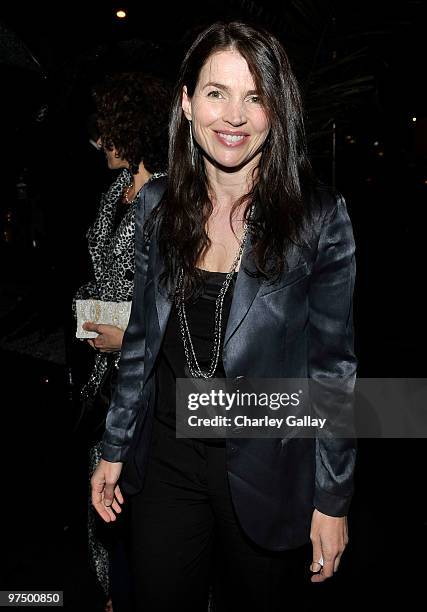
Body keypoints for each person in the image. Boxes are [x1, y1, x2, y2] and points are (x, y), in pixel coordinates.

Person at [90, 21, 357, 612]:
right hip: (165, 459)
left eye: (255, 96)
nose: (234, 115)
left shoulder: (318, 218)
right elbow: (138, 343)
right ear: (186, 103)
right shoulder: (158, 207)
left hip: (268, 465)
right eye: (217, 93)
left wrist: (332, 499)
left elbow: (333, 373)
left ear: (276, 110)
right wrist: (113, 447)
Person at [73, 72, 170, 610]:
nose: (98, 141)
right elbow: (100, 267)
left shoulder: (169, 194)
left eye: (107, 129)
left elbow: (179, 298)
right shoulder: (114, 190)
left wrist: (127, 334)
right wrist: (87, 310)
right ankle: (115, 593)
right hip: (100, 374)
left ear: (133, 130)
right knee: (100, 490)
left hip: (147, 375)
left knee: (144, 497)